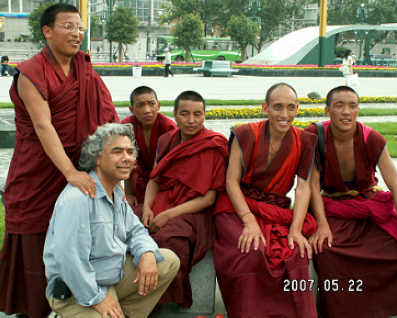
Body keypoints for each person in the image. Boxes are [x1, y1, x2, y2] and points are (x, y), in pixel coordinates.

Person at [0, 3, 119, 317]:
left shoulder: (84, 67)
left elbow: (106, 115)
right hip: (39, 170)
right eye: (68, 26)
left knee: (79, 235)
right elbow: (43, 126)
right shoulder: (31, 72)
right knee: (35, 234)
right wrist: (69, 173)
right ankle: (33, 307)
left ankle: (76, 304)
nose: (76, 33)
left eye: (79, 27)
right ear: (47, 30)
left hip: (79, 167)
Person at [43, 123, 180, 317]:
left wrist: (147, 253)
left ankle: (123, 313)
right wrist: (97, 298)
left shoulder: (115, 191)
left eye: (130, 152)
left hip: (110, 277)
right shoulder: (78, 199)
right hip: (76, 290)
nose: (127, 158)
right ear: (97, 157)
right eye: (117, 152)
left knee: (168, 261)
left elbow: (136, 231)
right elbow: (69, 260)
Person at [213, 83, 319, 317]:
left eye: (290, 108)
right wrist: (249, 220)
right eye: (278, 107)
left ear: (297, 109)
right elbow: (231, 182)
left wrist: (296, 229)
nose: (284, 115)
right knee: (252, 249)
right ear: (265, 108)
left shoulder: (305, 141)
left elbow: (303, 189)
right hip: (237, 205)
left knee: (295, 251)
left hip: (274, 208)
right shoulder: (246, 134)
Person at [305, 86, 397, 318]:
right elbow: (312, 187)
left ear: (358, 110)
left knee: (395, 246)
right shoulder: (313, 136)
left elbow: (395, 184)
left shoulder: (372, 138)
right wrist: (323, 225)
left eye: (352, 106)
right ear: (327, 110)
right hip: (333, 208)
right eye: (339, 105)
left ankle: (383, 307)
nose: (346, 111)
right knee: (326, 249)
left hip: (367, 205)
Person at [141, 90, 229, 307]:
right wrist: (147, 208)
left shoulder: (214, 144)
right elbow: (154, 180)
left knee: (166, 239)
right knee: (126, 226)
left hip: (193, 211)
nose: (191, 120)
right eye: (185, 114)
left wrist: (168, 214)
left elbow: (209, 199)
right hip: (163, 201)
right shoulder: (166, 140)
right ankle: (128, 292)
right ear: (174, 114)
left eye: (198, 114)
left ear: (204, 115)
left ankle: (156, 302)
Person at [121, 86, 176, 209]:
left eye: (151, 104)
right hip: (140, 178)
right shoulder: (127, 126)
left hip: (164, 181)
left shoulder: (168, 127)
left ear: (159, 106)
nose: (147, 110)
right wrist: (128, 193)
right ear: (132, 109)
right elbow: (125, 160)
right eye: (140, 105)